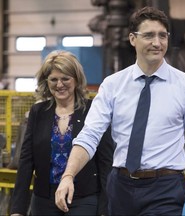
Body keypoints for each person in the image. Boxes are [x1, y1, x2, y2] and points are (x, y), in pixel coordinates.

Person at [55, 6, 185, 216]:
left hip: (165, 188)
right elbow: (90, 135)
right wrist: (68, 175)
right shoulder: (112, 85)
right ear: (132, 39)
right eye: (148, 35)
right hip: (120, 186)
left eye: (162, 36)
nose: (157, 43)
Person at [10, 50, 114, 216]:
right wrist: (18, 209)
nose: (59, 84)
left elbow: (106, 162)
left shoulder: (93, 110)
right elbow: (26, 161)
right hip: (44, 199)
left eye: (65, 78)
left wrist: (105, 209)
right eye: (54, 79)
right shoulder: (38, 112)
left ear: (76, 80)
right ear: (46, 82)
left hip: (84, 199)